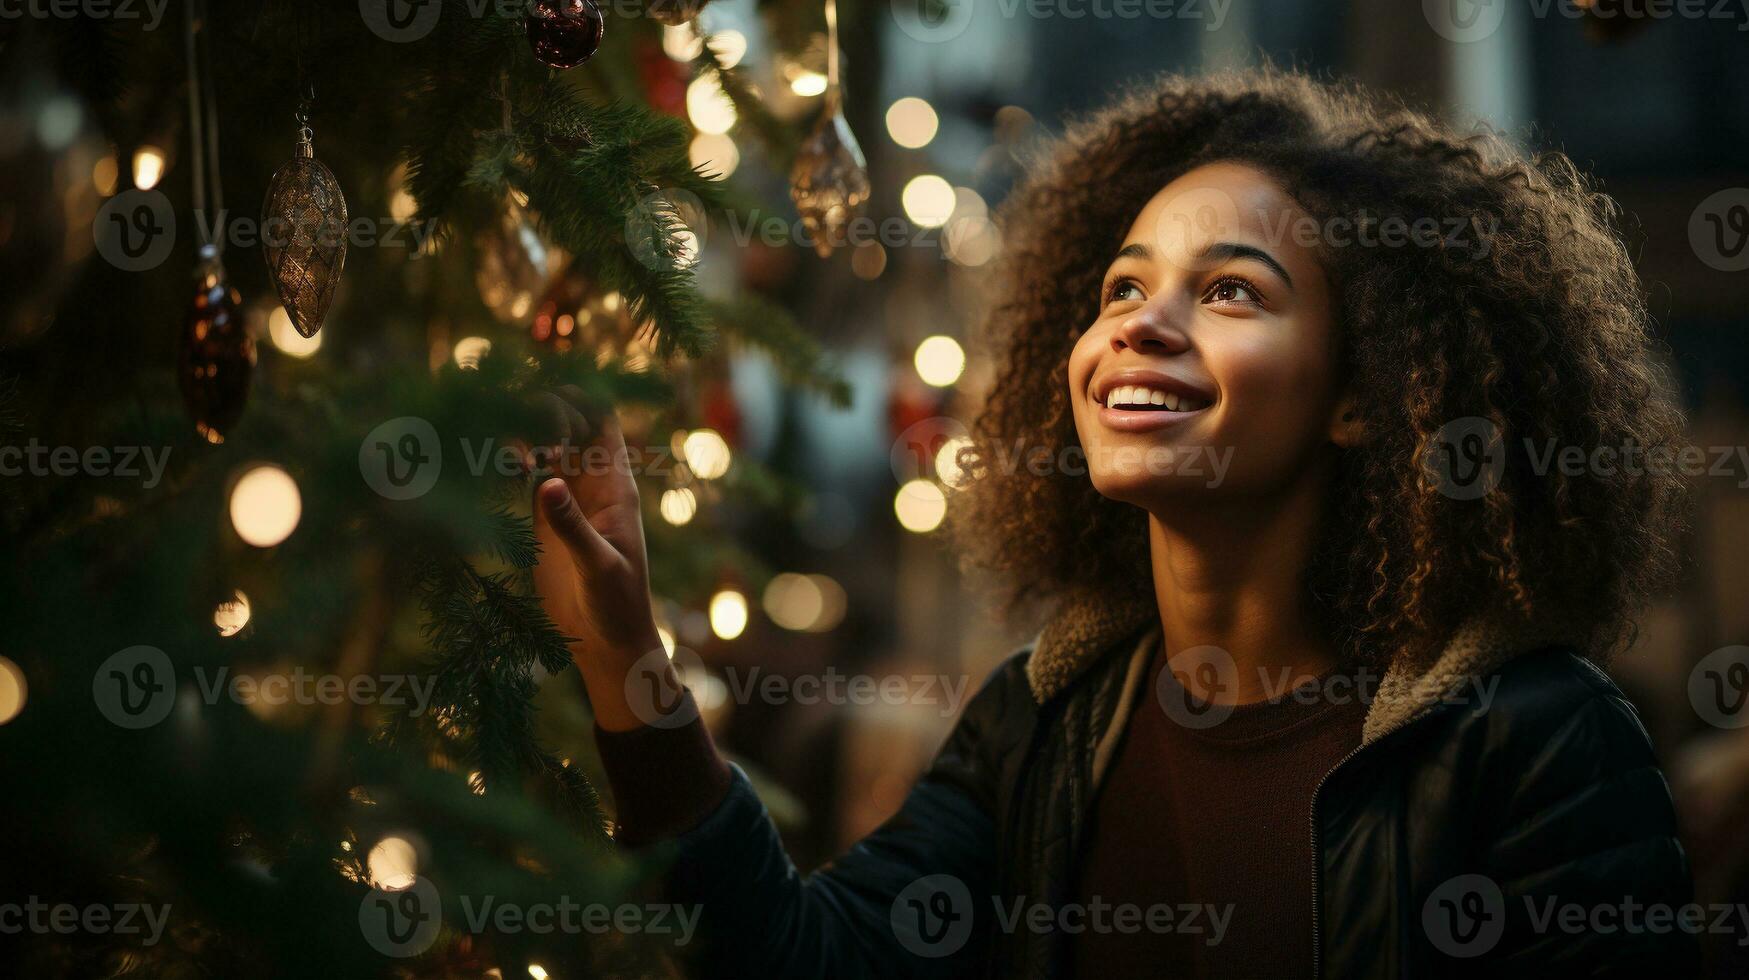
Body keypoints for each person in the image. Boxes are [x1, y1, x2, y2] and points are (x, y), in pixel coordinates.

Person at [528, 67, 1697, 978]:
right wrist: (627, 662)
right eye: (1123, 288)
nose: (1140, 325)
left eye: (1231, 289)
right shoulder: (1042, 727)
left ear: (1362, 392)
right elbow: (798, 959)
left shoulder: (1535, 739)